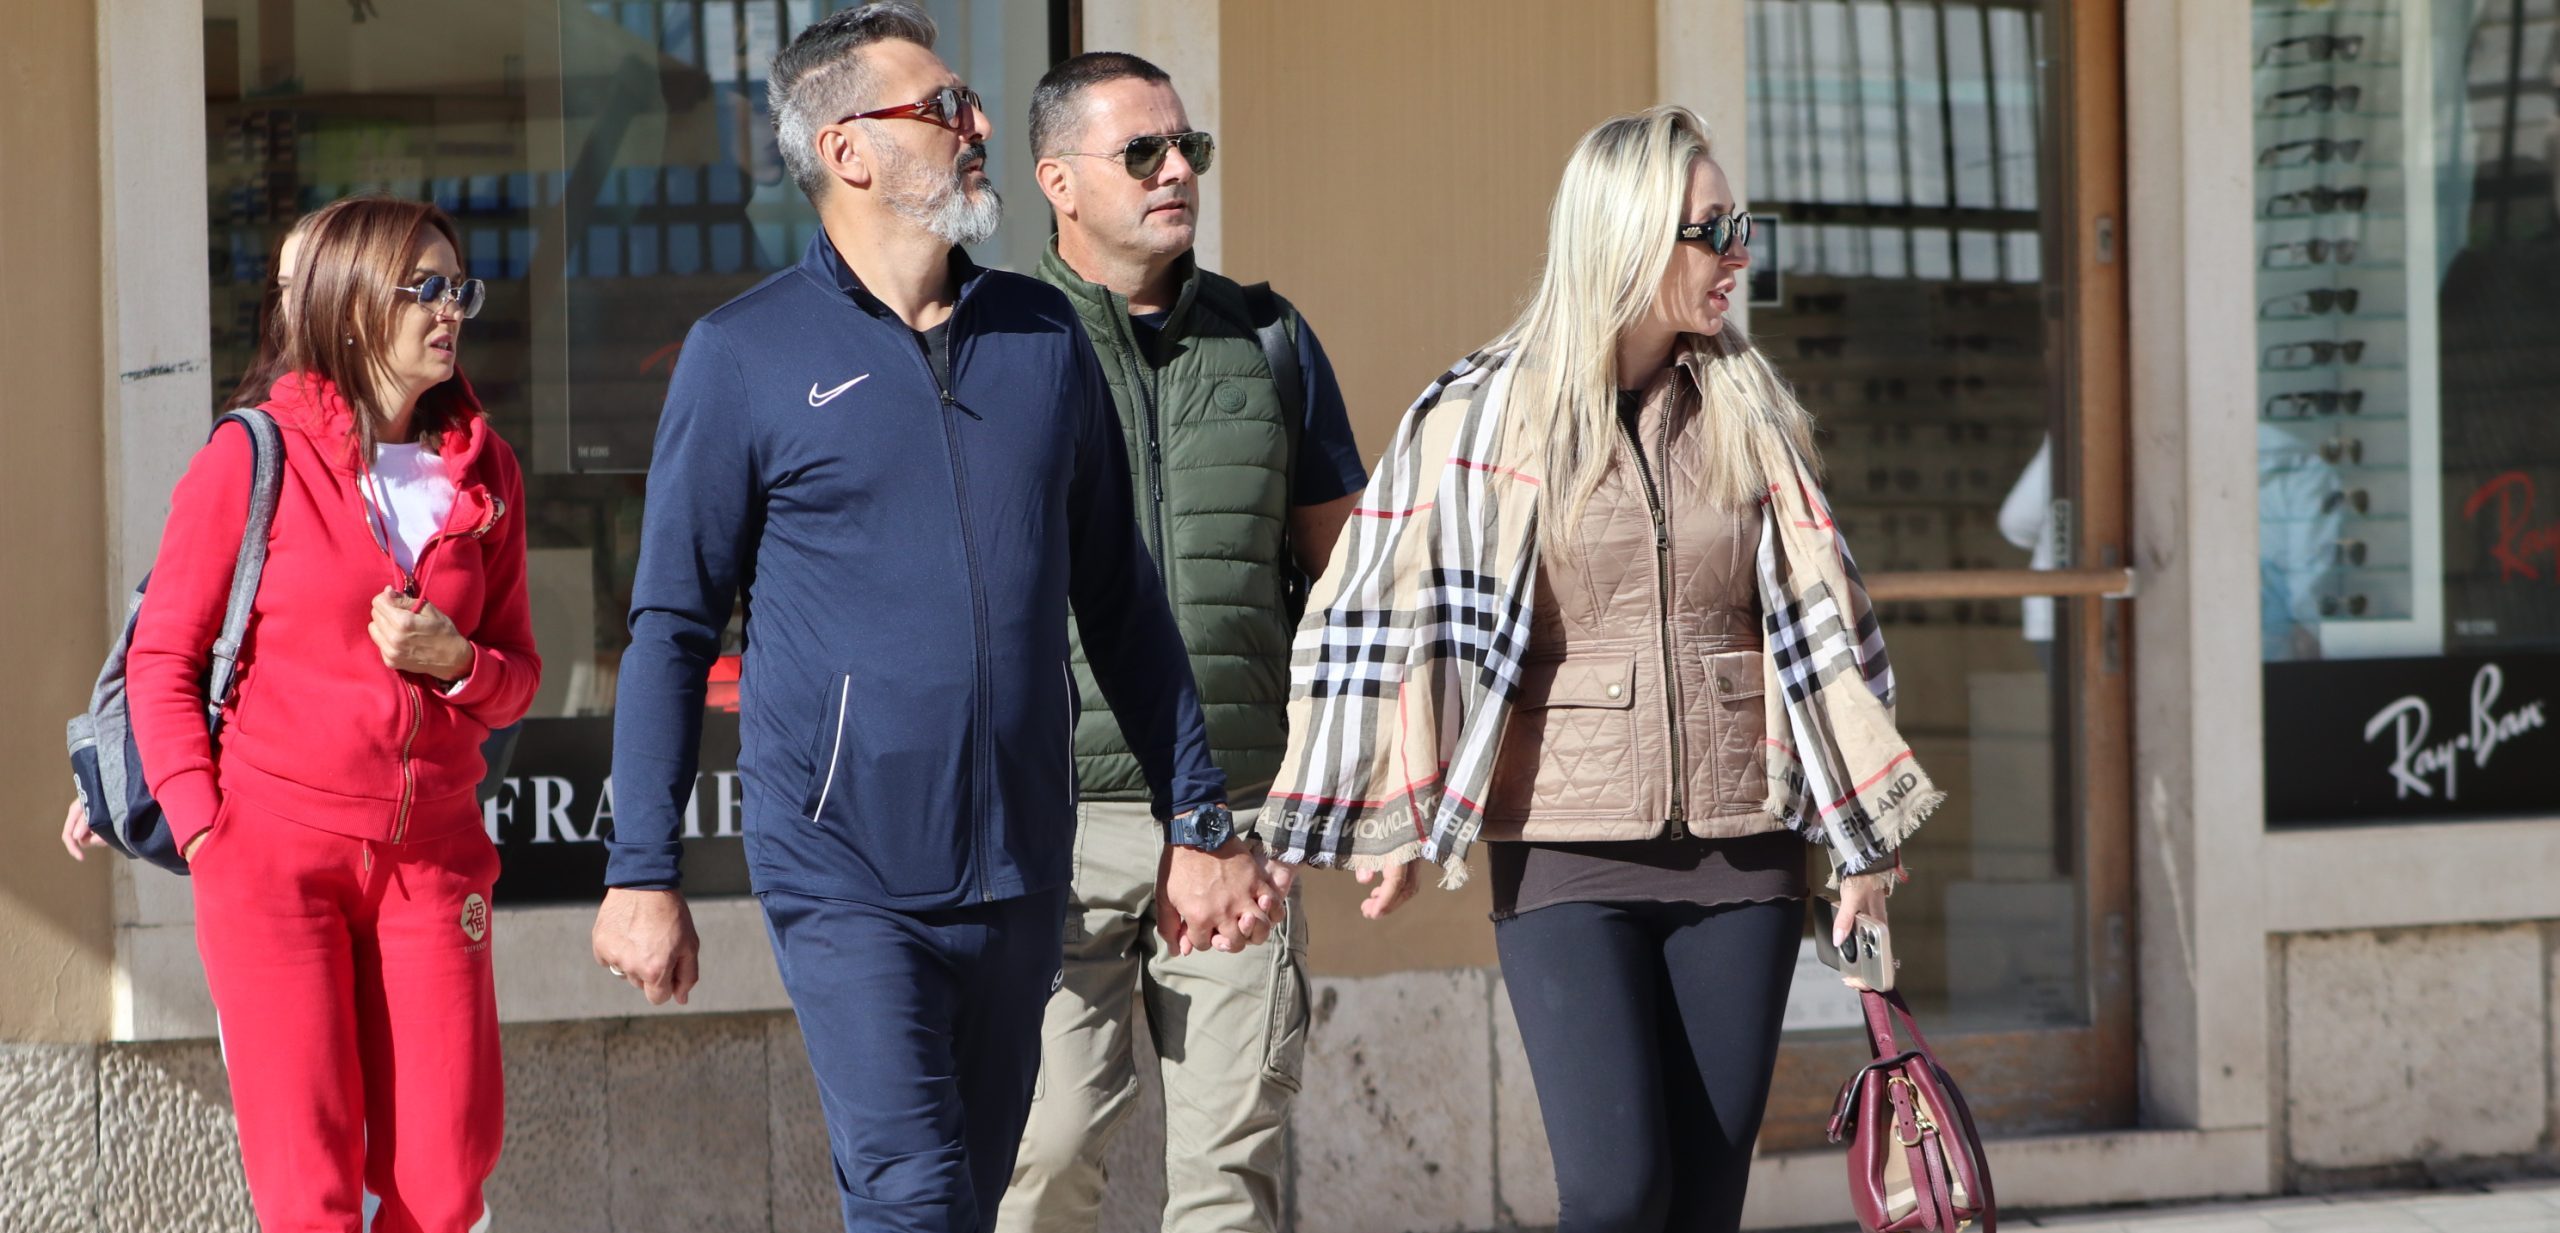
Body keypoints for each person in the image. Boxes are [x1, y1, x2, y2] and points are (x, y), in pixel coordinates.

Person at [588, 7, 1280, 1232]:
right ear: (847, 150)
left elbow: (1120, 601)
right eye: (944, 107)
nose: (978, 127)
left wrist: (1199, 815)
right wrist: (641, 869)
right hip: (844, 866)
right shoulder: (744, 355)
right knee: (910, 1195)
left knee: (968, 1193)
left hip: (1021, 866)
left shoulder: (1043, 336)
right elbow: (672, 628)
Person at [1254, 106, 1936, 1233]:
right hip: (1565, 849)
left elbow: (1825, 624)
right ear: (1626, 237)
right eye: (1712, 230)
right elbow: (1377, 603)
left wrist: (1860, 843)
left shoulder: (1748, 409)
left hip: (1744, 851)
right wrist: (1385, 807)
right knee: (1617, 1193)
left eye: (1741, 226)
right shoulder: (1483, 412)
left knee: (1703, 1202)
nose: (1738, 253)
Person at [106, 195, 537, 1233]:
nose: (450, 309)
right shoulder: (254, 454)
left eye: (458, 287)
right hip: (272, 859)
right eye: (424, 287)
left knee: (444, 1177)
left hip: (433, 855)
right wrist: (206, 831)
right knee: (312, 1192)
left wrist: (457, 664)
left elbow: (519, 673)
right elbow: (162, 655)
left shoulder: (486, 473)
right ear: (350, 305)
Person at [1003, 52, 1367, 1233]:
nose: (1176, 172)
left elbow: (1349, 580)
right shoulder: (997, 342)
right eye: (1142, 152)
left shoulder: (1268, 338)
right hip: (1054, 822)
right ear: (1057, 180)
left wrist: (1321, 787)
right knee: (1043, 1155)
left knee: (1228, 1173)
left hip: (1238, 816)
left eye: (1187, 149)